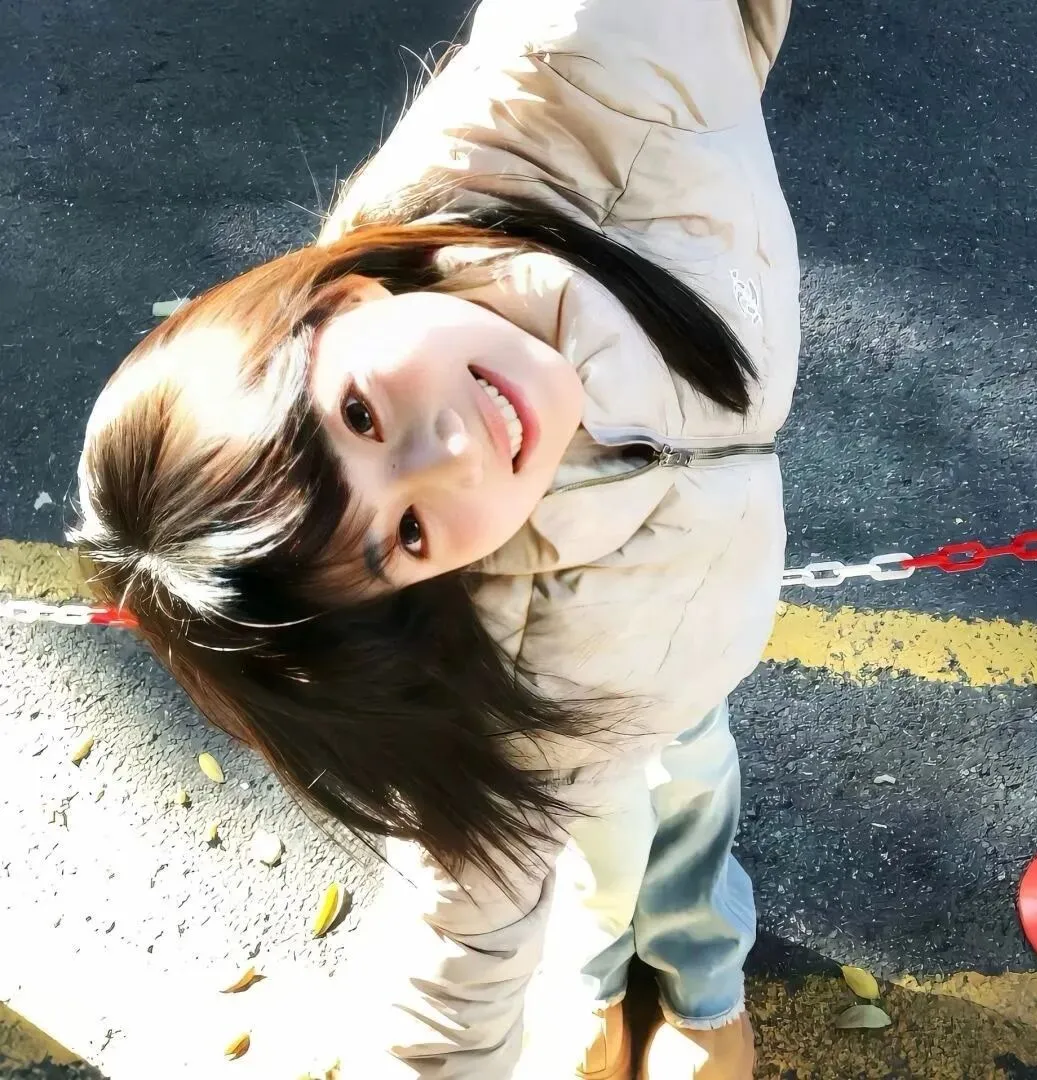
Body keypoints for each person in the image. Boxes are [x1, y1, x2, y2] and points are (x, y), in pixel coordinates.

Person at [70, 0, 798, 1075]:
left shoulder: (580, 65)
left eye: (360, 413)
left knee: (696, 781)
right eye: (407, 534)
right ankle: (599, 988)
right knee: (602, 832)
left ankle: (701, 980)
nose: (454, 451)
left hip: (703, 644)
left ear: (340, 298)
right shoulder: (508, 672)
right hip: (622, 684)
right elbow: (453, 955)